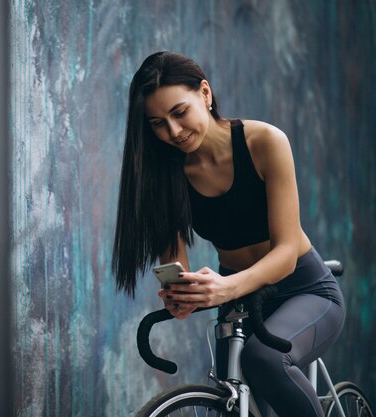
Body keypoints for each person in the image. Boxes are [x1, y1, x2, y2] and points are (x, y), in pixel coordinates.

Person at [112, 51, 346, 417]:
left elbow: (286, 253)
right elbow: (175, 263)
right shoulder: (163, 174)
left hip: (303, 288)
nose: (172, 132)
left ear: (204, 93)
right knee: (235, 398)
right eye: (157, 123)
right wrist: (180, 294)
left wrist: (227, 287)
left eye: (179, 113)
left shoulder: (265, 142)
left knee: (264, 359)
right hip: (236, 300)